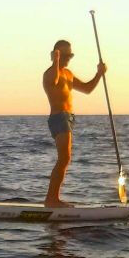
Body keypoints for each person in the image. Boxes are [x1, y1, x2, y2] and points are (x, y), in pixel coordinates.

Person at [42, 39, 106, 208]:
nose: (68, 58)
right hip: (59, 117)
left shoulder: (68, 74)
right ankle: (51, 200)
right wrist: (55, 61)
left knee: (65, 159)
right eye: (64, 55)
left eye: (70, 55)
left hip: (69, 118)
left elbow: (87, 89)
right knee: (64, 158)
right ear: (56, 55)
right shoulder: (50, 73)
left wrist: (99, 73)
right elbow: (54, 80)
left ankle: (53, 199)